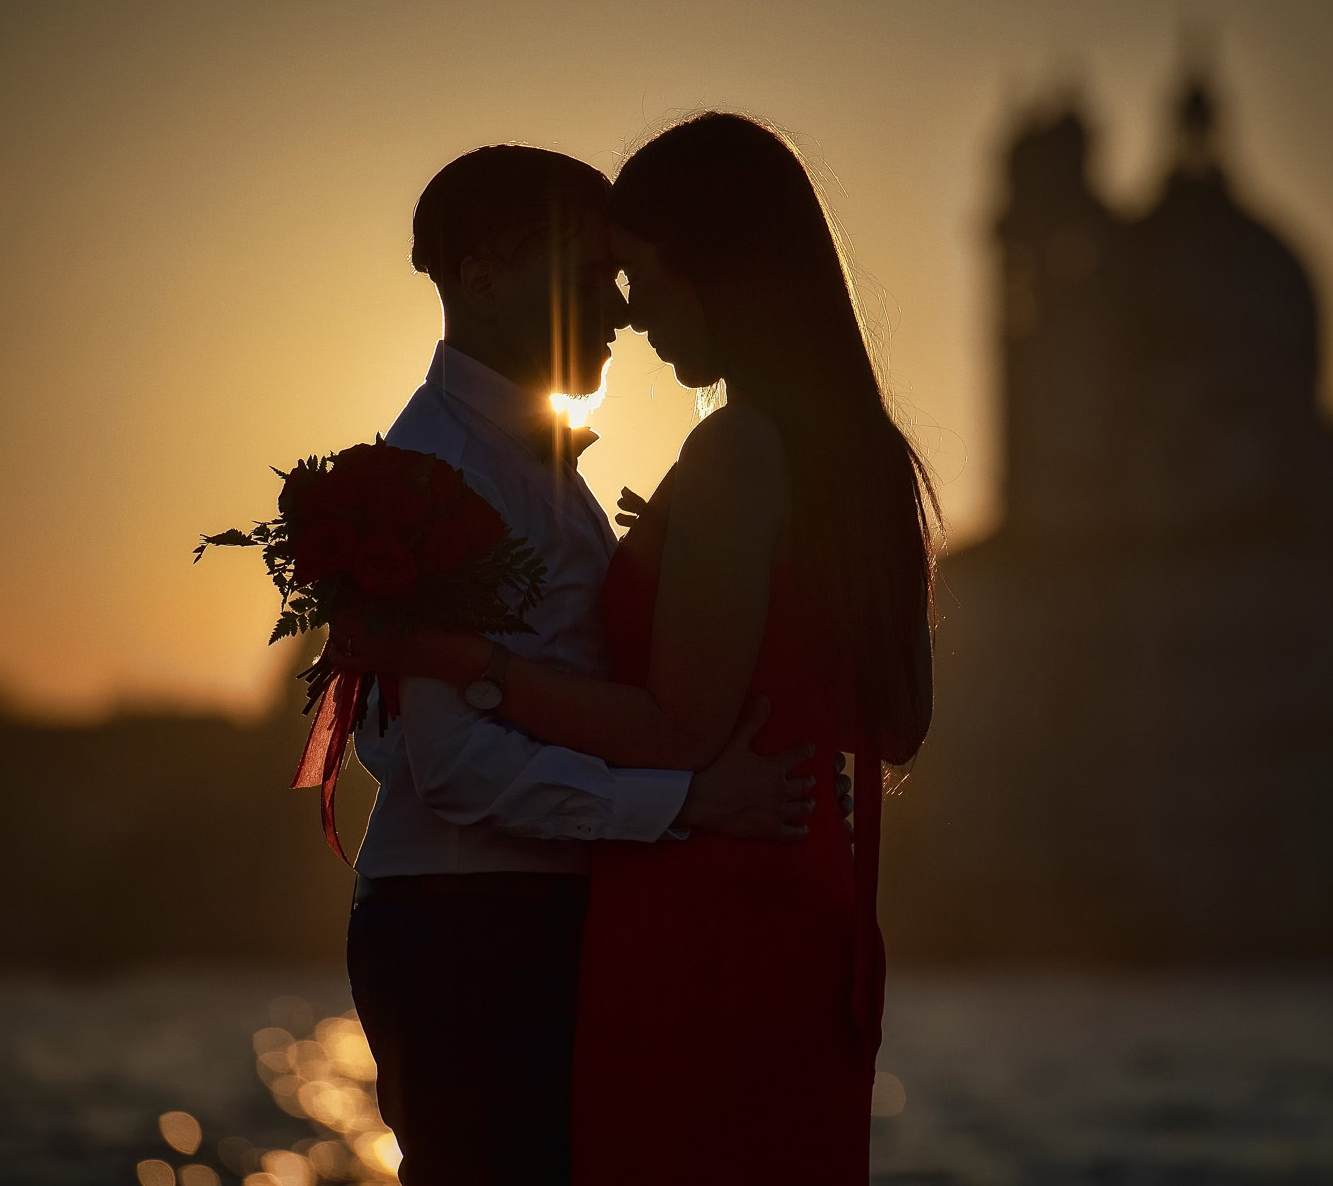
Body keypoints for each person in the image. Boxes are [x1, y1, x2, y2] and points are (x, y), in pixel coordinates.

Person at [337, 113, 938, 1184]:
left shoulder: (732, 454)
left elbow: (674, 723)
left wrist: (484, 668)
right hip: (658, 889)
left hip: (703, 888)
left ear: (712, 266)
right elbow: (440, 759)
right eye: (597, 271)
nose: (623, 305)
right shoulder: (840, 454)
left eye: (631, 271)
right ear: (482, 276)